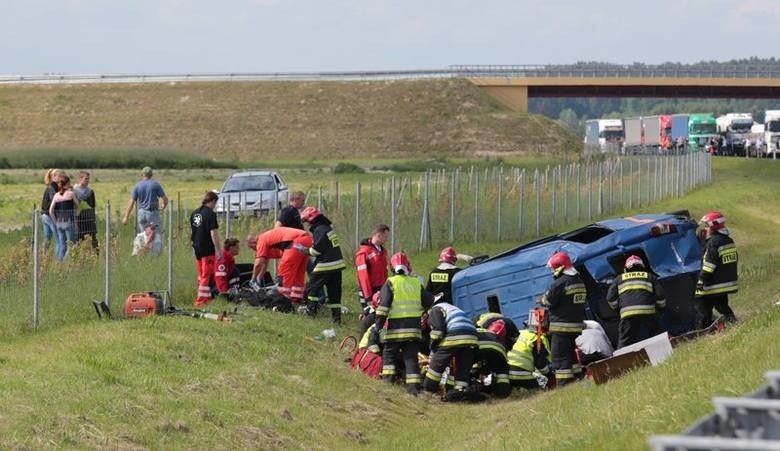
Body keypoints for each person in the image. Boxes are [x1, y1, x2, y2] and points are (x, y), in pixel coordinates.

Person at [375, 252, 434, 396]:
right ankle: (413, 390)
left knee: (389, 357)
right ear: (408, 266)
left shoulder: (390, 283)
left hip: (395, 330)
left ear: (391, 267)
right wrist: (420, 312)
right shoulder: (416, 283)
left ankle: (387, 385)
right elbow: (429, 301)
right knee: (411, 359)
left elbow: (383, 308)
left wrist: (378, 326)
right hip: (413, 330)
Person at [538, 251, 587, 386]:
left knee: (559, 358)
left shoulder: (560, 283)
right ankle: (578, 379)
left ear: (559, 267)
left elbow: (547, 301)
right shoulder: (579, 281)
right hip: (575, 326)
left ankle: (564, 385)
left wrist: (541, 299)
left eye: (553, 268)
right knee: (570, 355)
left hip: (561, 326)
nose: (553, 271)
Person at [423, 296, 478, 400]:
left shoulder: (435, 309)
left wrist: (433, 347)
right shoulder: (452, 308)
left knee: (437, 363)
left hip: (456, 332)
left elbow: (437, 332)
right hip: (472, 336)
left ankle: (428, 390)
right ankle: (459, 393)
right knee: (463, 367)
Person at [297, 207, 346, 323]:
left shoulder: (319, 230)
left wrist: (304, 250)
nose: (308, 225)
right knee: (334, 293)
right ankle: (336, 318)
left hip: (325, 264)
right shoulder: (327, 228)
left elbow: (316, 250)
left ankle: (311, 312)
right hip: (337, 265)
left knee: (312, 289)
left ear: (312, 219)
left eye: (307, 222)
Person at [606, 255, 666, 348]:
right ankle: (664, 351)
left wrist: (618, 309)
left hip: (627, 314)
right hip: (648, 312)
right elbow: (660, 296)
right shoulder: (650, 277)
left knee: (624, 341)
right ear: (642, 267)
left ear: (626, 268)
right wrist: (661, 308)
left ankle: (621, 359)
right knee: (658, 335)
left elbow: (610, 298)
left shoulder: (619, 279)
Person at [695, 211, 738, 328]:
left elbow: (709, 264)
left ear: (712, 227)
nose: (705, 228)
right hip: (725, 283)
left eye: (706, 226)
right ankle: (733, 321)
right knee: (721, 305)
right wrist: (704, 242)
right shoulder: (729, 241)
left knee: (701, 303)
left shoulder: (713, 243)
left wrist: (701, 281)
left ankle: (702, 331)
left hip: (713, 284)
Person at [249, 226, 313, 304]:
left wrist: (253, 278)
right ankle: (296, 299)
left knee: (284, 272)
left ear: (253, 243)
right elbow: (264, 263)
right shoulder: (268, 239)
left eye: (253, 248)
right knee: (298, 273)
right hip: (307, 239)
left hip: (295, 242)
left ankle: (283, 301)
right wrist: (259, 277)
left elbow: (259, 262)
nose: (255, 251)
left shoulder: (261, 240)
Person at [190, 192, 221, 307]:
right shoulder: (211, 215)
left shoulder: (195, 214)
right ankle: (200, 301)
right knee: (206, 274)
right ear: (212, 201)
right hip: (207, 248)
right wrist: (218, 250)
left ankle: (206, 296)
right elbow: (213, 233)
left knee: (201, 274)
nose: (215, 205)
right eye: (215, 203)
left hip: (197, 247)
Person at [122, 166, 168, 234]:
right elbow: (165, 199)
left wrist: (126, 217)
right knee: (156, 236)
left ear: (142, 174)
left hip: (141, 214)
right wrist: (163, 205)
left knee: (144, 236)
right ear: (151, 175)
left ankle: (145, 244)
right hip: (152, 214)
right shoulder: (155, 184)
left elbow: (131, 202)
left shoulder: (137, 186)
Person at [508, 322, 551, 391]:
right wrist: (549, 375)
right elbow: (540, 364)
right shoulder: (537, 338)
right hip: (521, 373)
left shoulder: (520, 333)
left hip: (506, 374)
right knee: (541, 392)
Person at [355, 224, 390, 309]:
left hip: (381, 288)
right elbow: (363, 277)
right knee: (370, 316)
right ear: (379, 235)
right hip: (369, 291)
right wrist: (368, 297)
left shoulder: (383, 252)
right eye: (385, 237)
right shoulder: (364, 253)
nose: (387, 239)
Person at [49, 174, 78, 261]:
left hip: (59, 223)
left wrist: (55, 222)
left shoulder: (56, 195)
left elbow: (51, 211)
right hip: (69, 222)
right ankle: (64, 263)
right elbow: (77, 205)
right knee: (71, 245)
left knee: (62, 245)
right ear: (68, 183)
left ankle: (59, 263)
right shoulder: (71, 194)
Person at [73, 170, 98, 250]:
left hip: (89, 218)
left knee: (93, 238)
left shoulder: (90, 191)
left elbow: (93, 205)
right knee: (78, 239)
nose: (88, 181)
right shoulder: (73, 190)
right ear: (80, 179)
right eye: (86, 179)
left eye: (88, 179)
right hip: (78, 219)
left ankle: (95, 256)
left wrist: (93, 217)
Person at [40, 169, 63, 251]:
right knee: (59, 239)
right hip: (50, 216)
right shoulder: (53, 188)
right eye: (59, 176)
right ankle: (59, 260)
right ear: (53, 177)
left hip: (44, 215)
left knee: (47, 238)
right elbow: (55, 200)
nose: (61, 178)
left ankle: (43, 258)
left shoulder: (51, 187)